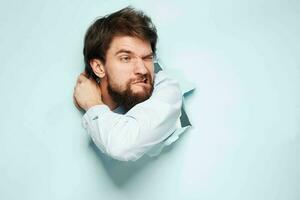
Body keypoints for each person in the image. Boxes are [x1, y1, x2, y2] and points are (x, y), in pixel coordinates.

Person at [73, 7, 183, 161]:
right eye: (126, 58)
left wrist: (92, 104)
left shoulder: (168, 88)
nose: (142, 69)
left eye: (147, 58)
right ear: (99, 67)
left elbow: (122, 147)